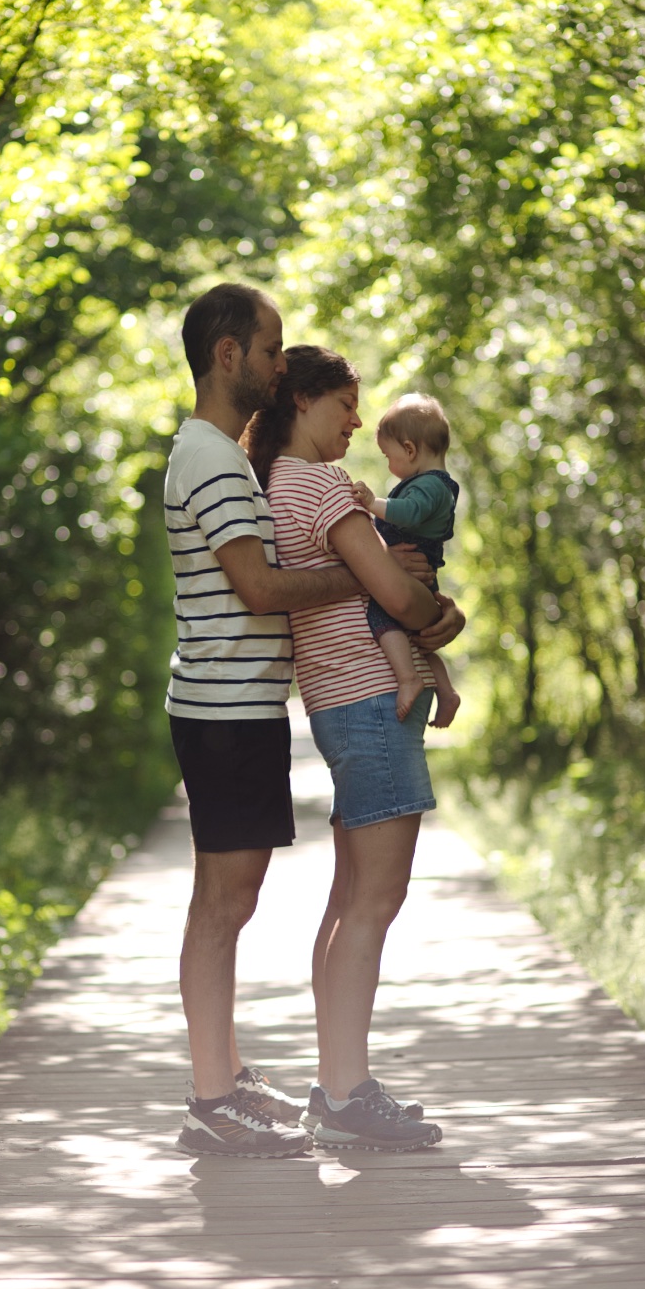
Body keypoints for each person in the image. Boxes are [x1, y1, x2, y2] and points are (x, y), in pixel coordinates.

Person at [165, 284, 464, 1159]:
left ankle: (244, 1081)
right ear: (231, 356)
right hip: (231, 708)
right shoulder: (227, 463)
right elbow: (266, 588)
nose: (275, 362)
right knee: (234, 906)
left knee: (253, 900)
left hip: (253, 705)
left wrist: (395, 592)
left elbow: (278, 583)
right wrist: (403, 597)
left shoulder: (238, 465)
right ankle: (244, 1094)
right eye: (268, 350)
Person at [245, 346, 466, 1152]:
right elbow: (399, 594)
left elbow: (388, 585)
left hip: (346, 702)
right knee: (374, 901)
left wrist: (415, 598)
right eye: (345, 404)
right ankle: (345, 1092)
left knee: (349, 902)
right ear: (303, 402)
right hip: (371, 702)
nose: (358, 421)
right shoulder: (318, 484)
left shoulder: (278, 481)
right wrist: (447, 617)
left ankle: (337, 1084)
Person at [350, 393, 463, 729]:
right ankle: (446, 691)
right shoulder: (432, 484)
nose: (389, 464)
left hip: (413, 567)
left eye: (389, 456)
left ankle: (408, 677)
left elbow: (408, 513)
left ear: (411, 450)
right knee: (422, 637)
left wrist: (372, 503)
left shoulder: (429, 487)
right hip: (420, 569)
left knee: (382, 616)